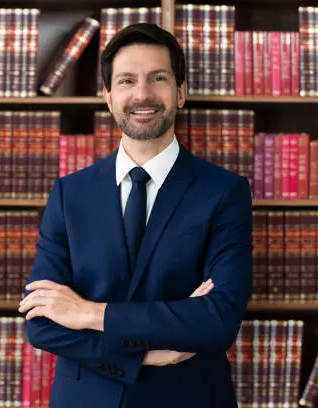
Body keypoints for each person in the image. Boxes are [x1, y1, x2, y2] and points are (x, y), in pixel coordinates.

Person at [18, 23, 253, 408]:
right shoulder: (69, 194)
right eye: (127, 81)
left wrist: (90, 314)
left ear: (181, 93)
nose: (142, 94)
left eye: (157, 78)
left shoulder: (224, 193)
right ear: (108, 97)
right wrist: (145, 354)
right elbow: (42, 323)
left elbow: (217, 320)